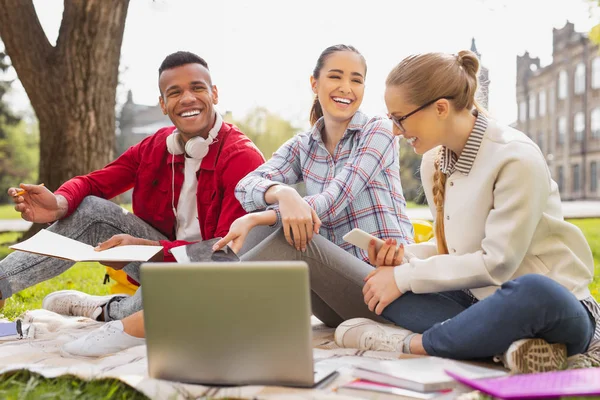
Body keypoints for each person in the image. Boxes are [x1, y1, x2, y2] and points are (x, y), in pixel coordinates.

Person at [59, 44, 415, 357]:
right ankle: (158, 317)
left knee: (279, 233)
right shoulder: (302, 145)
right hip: (334, 298)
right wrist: (285, 192)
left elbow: (335, 198)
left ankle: (150, 322)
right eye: (336, 76)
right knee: (270, 233)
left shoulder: (378, 131)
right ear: (314, 84)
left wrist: (260, 217)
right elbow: (249, 186)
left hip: (382, 291)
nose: (346, 88)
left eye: (357, 79)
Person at [332, 50, 600, 374]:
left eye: (400, 118)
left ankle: (409, 344)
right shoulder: (434, 162)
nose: (395, 130)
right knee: (383, 288)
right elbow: (454, 250)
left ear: (441, 108)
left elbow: (496, 264)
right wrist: (403, 258)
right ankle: (507, 348)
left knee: (535, 292)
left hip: (547, 307)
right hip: (477, 305)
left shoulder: (515, 158)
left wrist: (406, 277)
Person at [0, 51, 265, 333]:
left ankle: (103, 307)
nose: (187, 98)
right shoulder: (155, 147)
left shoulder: (242, 157)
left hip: (219, 276)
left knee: (156, 312)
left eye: (197, 88)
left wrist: (146, 249)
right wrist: (60, 203)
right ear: (163, 104)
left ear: (214, 93)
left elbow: (225, 253)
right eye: (175, 93)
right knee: (92, 209)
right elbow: (94, 184)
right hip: (168, 263)